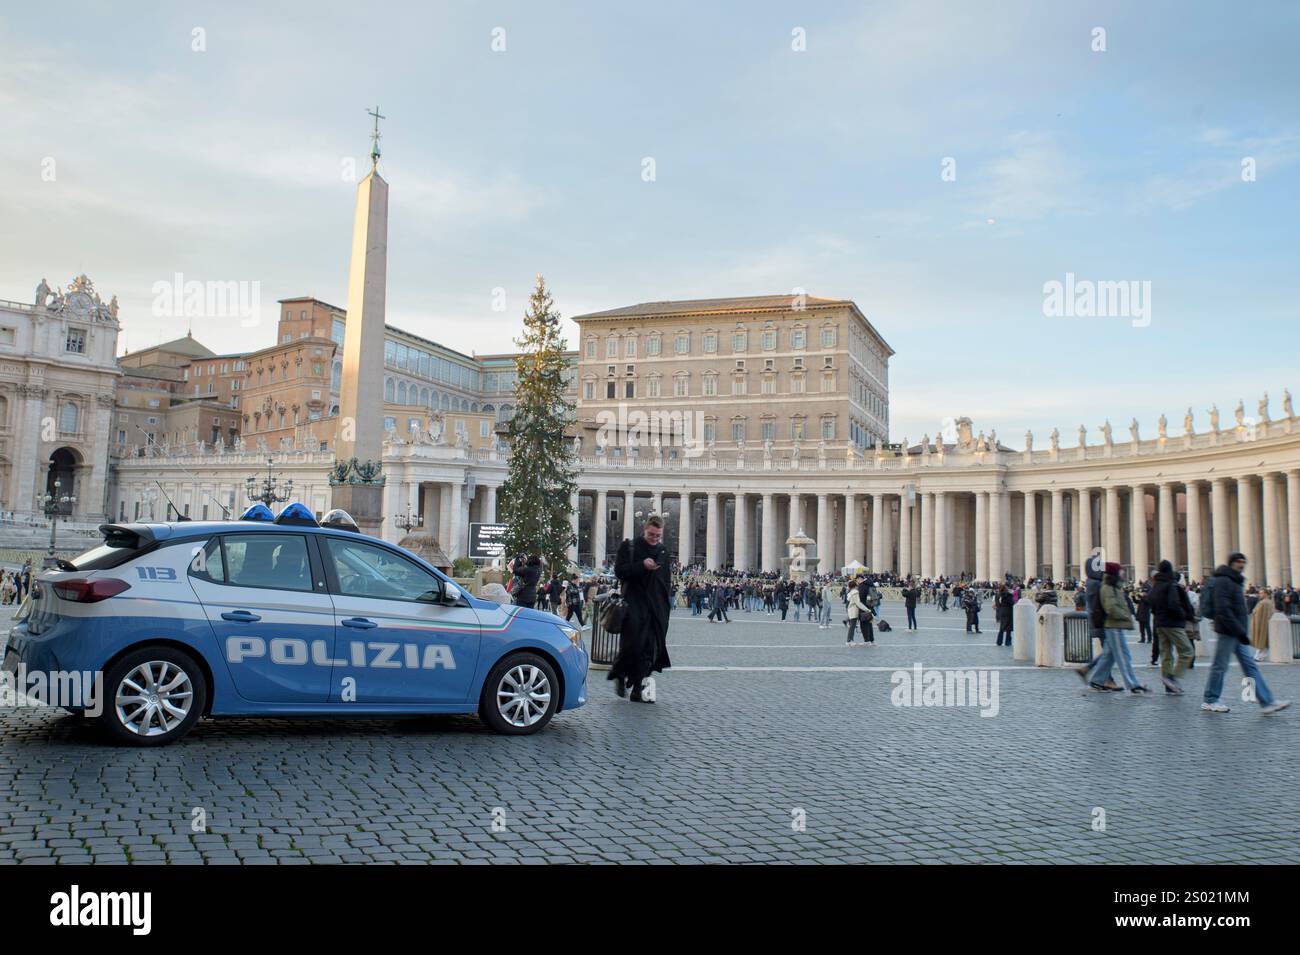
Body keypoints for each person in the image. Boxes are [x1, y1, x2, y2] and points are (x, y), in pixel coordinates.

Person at [1201, 553, 1290, 714]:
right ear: (1232, 563)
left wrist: (1240, 631)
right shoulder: (1224, 581)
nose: (1242, 565)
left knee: (1250, 667)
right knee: (1220, 666)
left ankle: (1267, 701)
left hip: (1236, 632)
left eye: (1243, 562)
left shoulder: (1234, 580)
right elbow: (1223, 609)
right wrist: (1238, 630)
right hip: (1228, 631)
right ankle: (1210, 699)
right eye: (1239, 562)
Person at [610, 515, 673, 702]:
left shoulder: (663, 551)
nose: (654, 538)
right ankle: (620, 674)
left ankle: (638, 687)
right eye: (651, 534)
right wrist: (641, 565)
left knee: (650, 648)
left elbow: (666, 580)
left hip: (656, 606)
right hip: (633, 602)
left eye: (658, 536)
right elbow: (620, 571)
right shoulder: (629, 547)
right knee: (633, 645)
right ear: (644, 529)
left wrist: (665, 607)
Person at [1085, 562, 1149, 694]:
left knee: (1108, 656)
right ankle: (1132, 684)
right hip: (1113, 626)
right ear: (1114, 573)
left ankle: (1097, 680)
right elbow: (1111, 608)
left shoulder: (1113, 587)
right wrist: (1125, 615)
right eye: (1120, 571)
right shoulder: (1108, 588)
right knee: (1123, 656)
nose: (1123, 573)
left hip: (1115, 626)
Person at [1148, 559, 1195, 694]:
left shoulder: (1156, 585)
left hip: (1159, 623)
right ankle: (1173, 678)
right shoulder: (1171, 585)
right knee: (1187, 651)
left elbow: (1149, 601)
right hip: (1173, 623)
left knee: (1166, 655)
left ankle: (1169, 686)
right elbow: (1174, 604)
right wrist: (1182, 615)